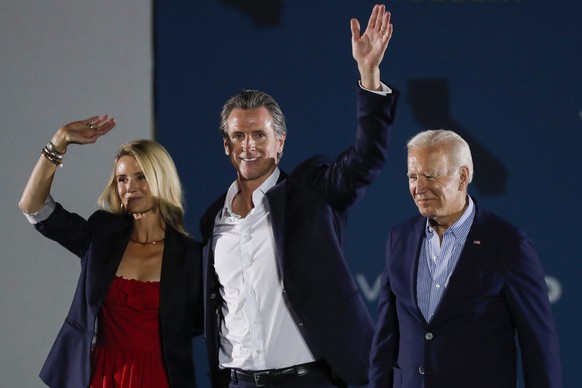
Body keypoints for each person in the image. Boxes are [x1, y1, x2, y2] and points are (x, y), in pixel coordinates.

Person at [199, 4, 398, 387]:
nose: (249, 146)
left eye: (260, 135)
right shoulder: (214, 219)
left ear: (280, 143)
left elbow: (364, 161)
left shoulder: (311, 192)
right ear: (226, 145)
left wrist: (369, 76)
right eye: (239, 136)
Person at [19, 116, 203, 388]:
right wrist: (58, 143)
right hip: (101, 376)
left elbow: (203, 322)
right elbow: (33, 206)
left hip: (161, 379)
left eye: (141, 177)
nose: (130, 187)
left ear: (161, 179)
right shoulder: (101, 234)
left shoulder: (191, 256)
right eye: (122, 179)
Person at [368, 129, 562, 388]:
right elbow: (385, 341)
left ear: (462, 176)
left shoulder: (508, 244)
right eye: (413, 177)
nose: (418, 188)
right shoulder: (399, 238)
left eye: (430, 176)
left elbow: (539, 349)